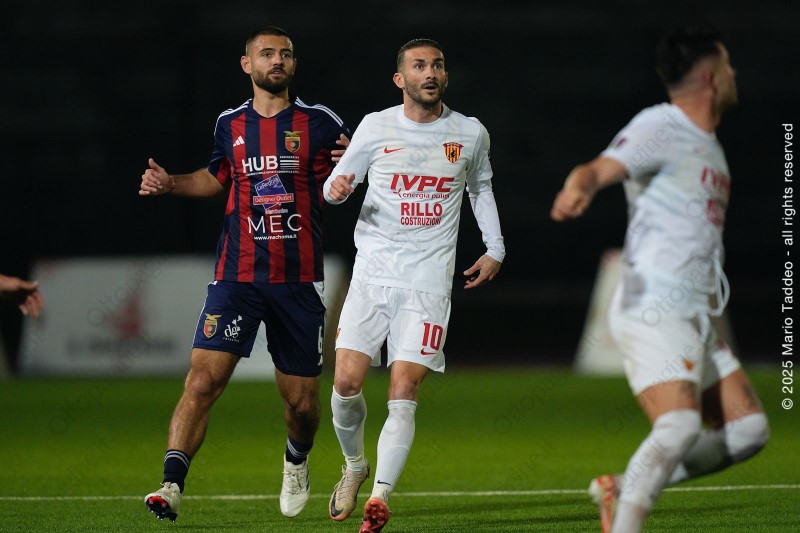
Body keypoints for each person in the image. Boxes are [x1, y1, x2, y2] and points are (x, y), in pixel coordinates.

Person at [551, 26, 769, 533]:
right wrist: (579, 187)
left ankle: (624, 486)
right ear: (711, 77)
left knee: (749, 430)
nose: (734, 74)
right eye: (728, 66)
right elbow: (597, 168)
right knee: (679, 425)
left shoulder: (708, 145)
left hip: (693, 313)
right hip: (655, 303)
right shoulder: (662, 124)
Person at [138, 26, 350, 522]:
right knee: (202, 381)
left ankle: (296, 460)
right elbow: (216, 179)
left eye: (286, 55)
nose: (277, 61)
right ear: (246, 64)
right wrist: (171, 183)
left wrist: (353, 168)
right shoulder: (229, 123)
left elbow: (348, 177)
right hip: (237, 278)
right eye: (267, 54)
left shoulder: (321, 122)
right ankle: (171, 484)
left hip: (298, 281)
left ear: (294, 65)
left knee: (301, 405)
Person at [322, 38, 505, 533]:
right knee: (345, 385)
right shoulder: (374, 126)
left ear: (445, 75)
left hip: (428, 283)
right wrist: (336, 190)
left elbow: (480, 188)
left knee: (403, 389)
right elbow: (337, 185)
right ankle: (355, 466)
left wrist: (495, 247)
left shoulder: (470, 133)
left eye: (437, 65)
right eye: (419, 65)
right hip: (372, 278)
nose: (430, 73)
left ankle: (379, 498)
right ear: (399, 79)